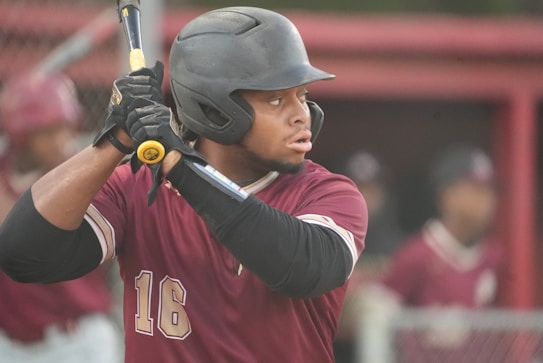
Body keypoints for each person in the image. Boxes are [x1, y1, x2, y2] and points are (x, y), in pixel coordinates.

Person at [0, 7, 367, 363]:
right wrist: (115, 141)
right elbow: (24, 254)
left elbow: (304, 266)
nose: (302, 114)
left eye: (302, 95)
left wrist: (177, 163)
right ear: (213, 110)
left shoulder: (328, 193)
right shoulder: (137, 187)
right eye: (275, 99)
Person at [0, 72, 122, 362]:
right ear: (20, 134)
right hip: (12, 343)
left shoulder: (77, 177)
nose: (61, 141)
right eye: (48, 131)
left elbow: (27, 231)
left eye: (65, 129)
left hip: (77, 340)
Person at [370, 145, 505, 362]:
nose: (486, 201)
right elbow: (375, 322)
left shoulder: (494, 256)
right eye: (475, 190)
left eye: (490, 190)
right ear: (447, 195)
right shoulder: (416, 254)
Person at [333, 151, 404, 363]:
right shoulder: (324, 239)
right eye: (356, 189)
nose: (364, 198)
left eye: (371, 189)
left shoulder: (400, 245)